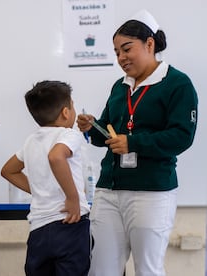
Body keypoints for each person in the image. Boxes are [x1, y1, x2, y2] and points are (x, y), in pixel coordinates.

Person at [77, 10, 198, 276]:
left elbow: (182, 136)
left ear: (150, 44)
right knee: (100, 269)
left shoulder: (177, 84)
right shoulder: (120, 87)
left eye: (126, 49)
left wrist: (133, 143)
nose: (121, 58)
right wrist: (92, 127)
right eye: (116, 51)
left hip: (151, 192)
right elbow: (108, 133)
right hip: (108, 190)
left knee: (148, 270)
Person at [1, 81, 91, 276]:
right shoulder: (69, 135)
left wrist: (38, 187)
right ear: (66, 112)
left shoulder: (31, 140)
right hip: (70, 225)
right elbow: (56, 156)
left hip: (39, 231)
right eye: (73, 105)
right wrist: (72, 198)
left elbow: (8, 171)